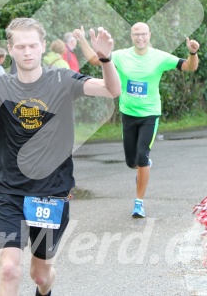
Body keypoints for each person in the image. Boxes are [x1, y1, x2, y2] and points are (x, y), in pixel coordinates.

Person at [0, 17, 120, 296]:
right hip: (9, 193)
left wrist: (106, 59)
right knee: (10, 269)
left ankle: (45, 290)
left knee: (40, 274)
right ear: (10, 49)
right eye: (21, 46)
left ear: (42, 46)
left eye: (32, 46)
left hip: (51, 194)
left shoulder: (62, 79)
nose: (27, 52)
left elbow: (112, 90)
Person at [76, 22, 200, 218]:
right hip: (128, 113)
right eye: (136, 35)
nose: (140, 38)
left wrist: (193, 53)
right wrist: (82, 40)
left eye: (143, 34)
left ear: (149, 35)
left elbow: (189, 67)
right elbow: (95, 60)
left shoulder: (160, 57)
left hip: (150, 114)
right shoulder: (121, 55)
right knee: (131, 161)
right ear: (131, 36)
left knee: (142, 157)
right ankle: (143, 166)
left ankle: (138, 203)